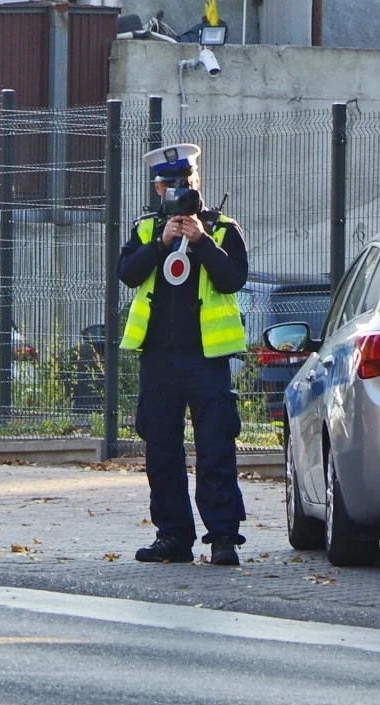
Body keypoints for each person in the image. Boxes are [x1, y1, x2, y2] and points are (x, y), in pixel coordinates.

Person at [118, 142, 250, 566]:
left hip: (206, 359)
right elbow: (127, 274)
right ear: (157, 189)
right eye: (167, 184)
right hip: (157, 359)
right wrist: (161, 243)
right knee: (161, 450)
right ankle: (173, 536)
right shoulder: (144, 229)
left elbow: (233, 280)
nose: (176, 190)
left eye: (184, 182)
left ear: (197, 183)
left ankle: (223, 538)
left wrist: (203, 241)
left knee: (215, 448)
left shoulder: (224, 228)